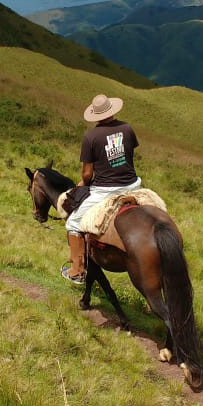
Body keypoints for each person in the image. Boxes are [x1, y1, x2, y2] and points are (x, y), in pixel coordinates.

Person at [62, 94, 141, 284]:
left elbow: (87, 175)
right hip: (132, 185)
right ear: (112, 110)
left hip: (106, 190)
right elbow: (129, 155)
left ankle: (77, 270)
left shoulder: (91, 137)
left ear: (95, 115)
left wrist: (82, 184)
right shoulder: (127, 129)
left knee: (72, 223)